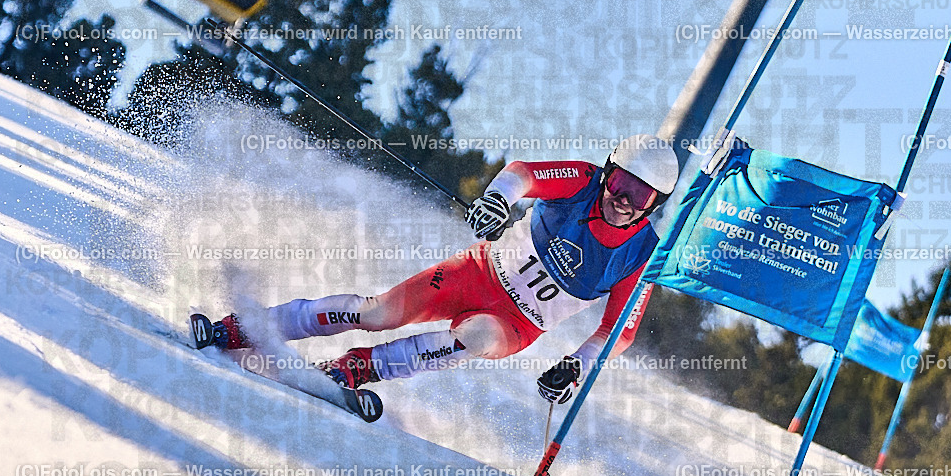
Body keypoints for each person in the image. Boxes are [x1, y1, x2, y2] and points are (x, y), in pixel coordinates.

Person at [210, 134, 679, 404]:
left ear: (654, 205)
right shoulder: (581, 181)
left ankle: (356, 369)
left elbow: (620, 331)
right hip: (476, 272)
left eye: (639, 196)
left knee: (475, 339)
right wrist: (498, 199)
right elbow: (523, 173)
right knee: (376, 314)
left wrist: (576, 367)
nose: (622, 200)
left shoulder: (642, 255)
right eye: (619, 183)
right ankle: (248, 326)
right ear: (607, 172)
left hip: (517, 324)